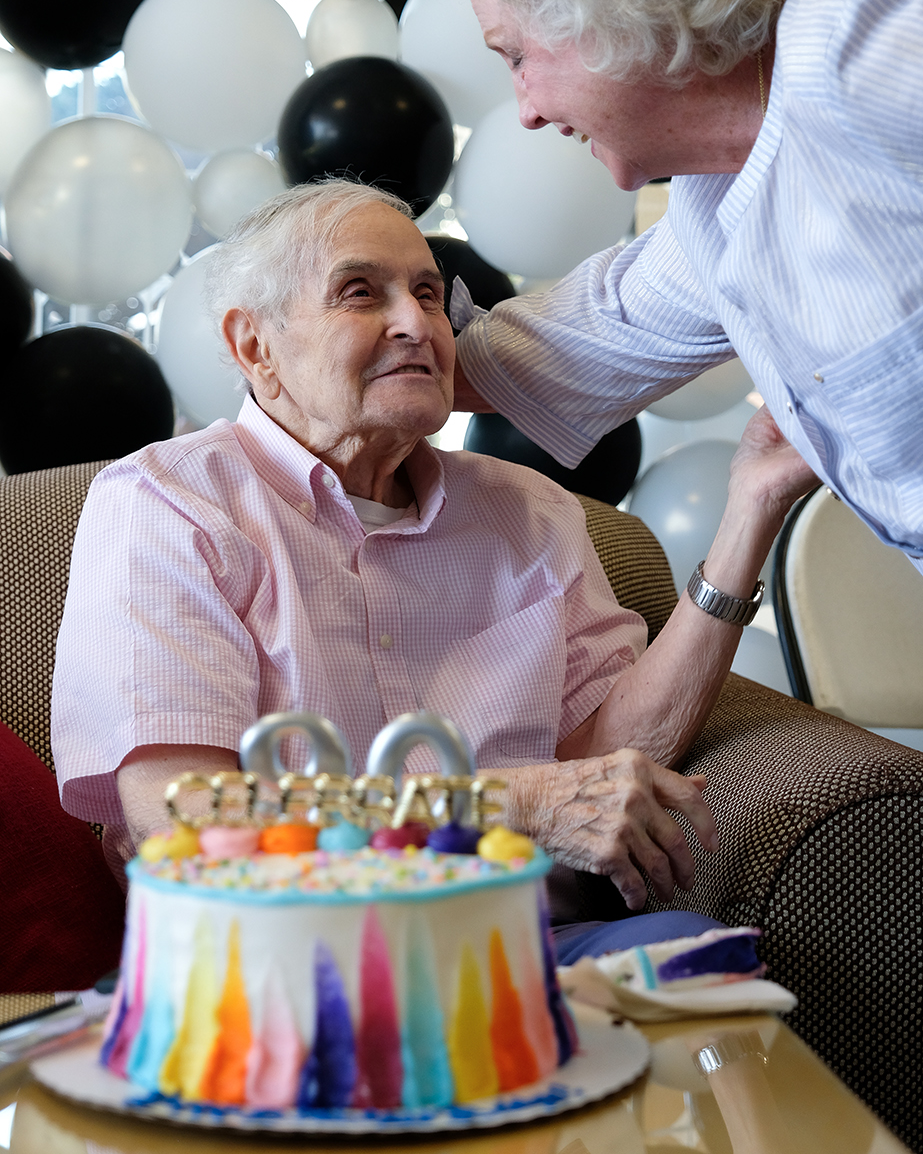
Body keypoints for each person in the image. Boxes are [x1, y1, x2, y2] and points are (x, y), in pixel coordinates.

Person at [51, 181, 817, 960]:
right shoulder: (169, 504)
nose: (419, 324)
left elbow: (610, 760)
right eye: (360, 293)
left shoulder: (531, 510)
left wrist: (750, 515)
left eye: (427, 293)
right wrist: (505, 805)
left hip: (527, 945)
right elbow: (181, 814)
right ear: (256, 346)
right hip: (291, 958)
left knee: (698, 964)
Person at [419, 0, 923, 619]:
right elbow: (555, 350)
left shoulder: (858, 51)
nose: (523, 110)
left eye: (517, 55)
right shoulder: (715, 212)